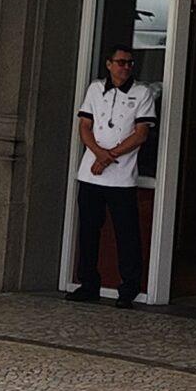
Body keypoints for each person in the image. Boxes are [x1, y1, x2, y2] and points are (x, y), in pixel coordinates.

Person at [68, 44, 156, 305]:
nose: (126, 67)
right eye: (121, 62)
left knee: (126, 233)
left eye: (130, 62)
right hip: (91, 174)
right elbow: (85, 125)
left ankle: (128, 288)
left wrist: (109, 156)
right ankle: (88, 284)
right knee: (88, 230)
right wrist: (98, 153)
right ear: (109, 64)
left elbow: (141, 134)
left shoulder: (142, 93)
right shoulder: (96, 88)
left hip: (121, 177)